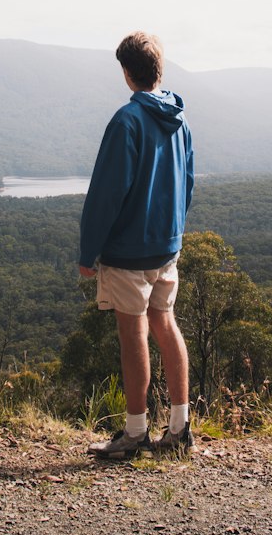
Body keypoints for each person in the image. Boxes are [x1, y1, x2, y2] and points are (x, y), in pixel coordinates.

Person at [78, 31, 194, 460]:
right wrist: (175, 234)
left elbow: (106, 193)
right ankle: (180, 429)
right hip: (166, 247)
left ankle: (135, 434)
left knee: (134, 337)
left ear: (127, 73)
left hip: (128, 251)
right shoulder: (178, 118)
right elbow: (188, 182)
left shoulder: (127, 121)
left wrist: (88, 253)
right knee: (166, 324)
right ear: (158, 70)